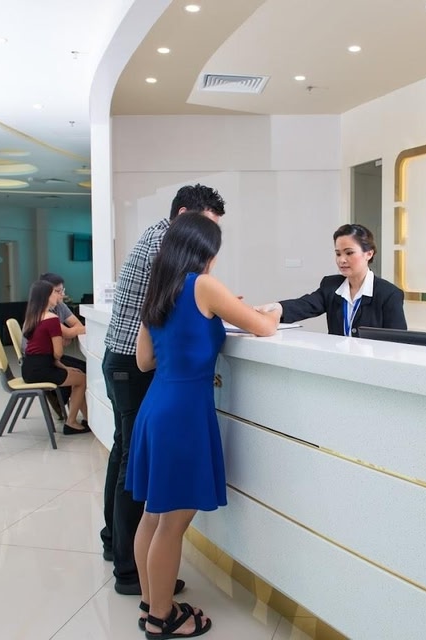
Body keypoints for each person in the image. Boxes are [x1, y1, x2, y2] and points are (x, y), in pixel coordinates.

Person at [128, 212, 280, 638]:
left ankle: (150, 601)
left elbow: (144, 361)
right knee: (173, 523)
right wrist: (274, 310)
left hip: (156, 406)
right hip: (184, 415)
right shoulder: (204, 285)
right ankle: (162, 619)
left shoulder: (159, 290)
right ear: (203, 251)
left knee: (153, 515)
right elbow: (264, 327)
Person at [100, 184, 226, 597]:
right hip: (141, 370)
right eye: (204, 229)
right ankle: (133, 575)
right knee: (138, 480)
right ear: (185, 218)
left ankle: (127, 559)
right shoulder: (168, 248)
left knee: (128, 463)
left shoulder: (160, 245)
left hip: (132, 363)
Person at [258, 223, 407, 336]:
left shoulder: (389, 294)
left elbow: (398, 342)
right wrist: (277, 307)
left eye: (349, 253)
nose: (342, 260)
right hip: (337, 362)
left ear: (368, 254)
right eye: (338, 254)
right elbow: (305, 305)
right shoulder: (331, 285)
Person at [21, 280, 90, 434]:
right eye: (55, 292)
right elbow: (58, 353)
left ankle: (87, 419)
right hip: (43, 370)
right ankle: (71, 422)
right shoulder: (51, 318)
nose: (59, 295)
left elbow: (47, 354)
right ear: (46, 296)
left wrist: (65, 367)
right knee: (82, 380)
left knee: (77, 374)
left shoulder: (34, 316)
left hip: (29, 369)